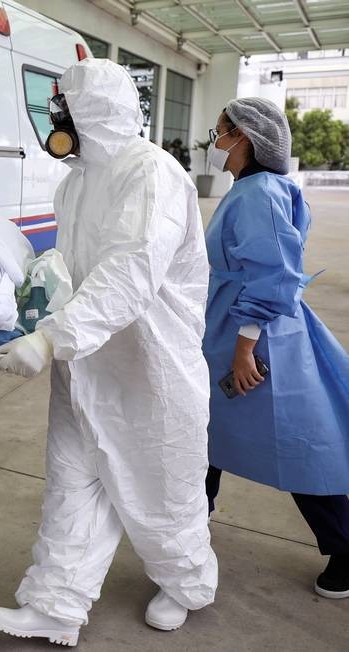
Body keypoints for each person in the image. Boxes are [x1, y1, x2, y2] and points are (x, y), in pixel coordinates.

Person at [0, 59, 218, 646]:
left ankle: (185, 584)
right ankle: (56, 605)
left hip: (150, 366)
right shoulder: (75, 183)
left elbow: (130, 272)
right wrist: (32, 308)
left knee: (161, 486)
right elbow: (73, 270)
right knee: (72, 480)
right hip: (86, 363)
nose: (57, 125)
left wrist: (51, 338)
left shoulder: (153, 174)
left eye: (67, 112)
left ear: (96, 115)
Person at [203, 97, 349, 599]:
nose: (212, 140)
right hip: (234, 326)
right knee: (203, 431)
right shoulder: (255, 188)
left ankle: (345, 546)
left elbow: (272, 275)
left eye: (218, 130)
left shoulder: (257, 193)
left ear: (242, 135)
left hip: (255, 335)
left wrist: (245, 346)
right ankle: (190, 522)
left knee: (297, 441)